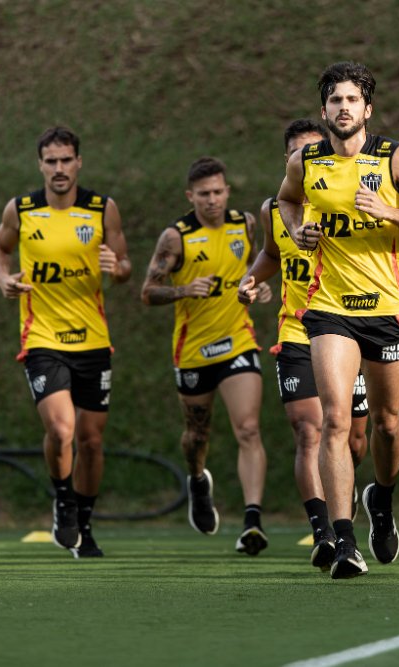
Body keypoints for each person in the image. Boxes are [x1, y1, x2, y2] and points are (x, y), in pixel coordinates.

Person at [277, 62, 399, 578]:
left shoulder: (395, 158)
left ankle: (382, 498)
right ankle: (343, 540)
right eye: (335, 100)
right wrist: (299, 230)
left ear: (367, 109)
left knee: (388, 426)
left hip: (386, 311)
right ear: (324, 109)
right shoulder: (305, 162)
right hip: (329, 308)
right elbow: (286, 202)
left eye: (352, 100)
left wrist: (389, 212)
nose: (344, 108)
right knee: (334, 419)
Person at [0, 126, 131, 559]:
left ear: (78, 162)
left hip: (92, 340)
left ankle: (84, 525)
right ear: (40, 166)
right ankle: (63, 497)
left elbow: (124, 264)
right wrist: (4, 279)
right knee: (61, 429)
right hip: (42, 338)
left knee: (90, 440)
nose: (58, 169)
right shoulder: (22, 209)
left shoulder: (101, 209)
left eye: (66, 160)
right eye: (50, 161)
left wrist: (117, 266)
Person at [237, 119, 370, 571]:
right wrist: (251, 281)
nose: (309, 159)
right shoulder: (278, 207)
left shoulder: (353, 196)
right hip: (297, 331)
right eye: (299, 153)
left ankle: (352, 507)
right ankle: (325, 532)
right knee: (309, 429)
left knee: (354, 438)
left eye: (316, 150)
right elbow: (271, 255)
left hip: (349, 327)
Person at [141, 156, 272, 556]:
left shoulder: (245, 224)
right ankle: (198, 480)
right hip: (193, 351)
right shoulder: (176, 237)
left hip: (238, 342)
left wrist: (258, 289)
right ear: (190, 196)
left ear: (227, 191)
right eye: (203, 194)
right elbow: (148, 290)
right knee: (197, 435)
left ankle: (252, 521)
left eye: (218, 191)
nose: (212, 200)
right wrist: (183, 290)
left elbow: (257, 268)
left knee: (248, 428)